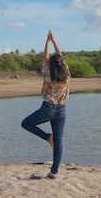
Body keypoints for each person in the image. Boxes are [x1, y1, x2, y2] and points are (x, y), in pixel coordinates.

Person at [21, 30, 70, 179]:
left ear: (51, 66)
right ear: (62, 65)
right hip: (62, 109)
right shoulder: (66, 74)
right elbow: (59, 58)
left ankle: (47, 137)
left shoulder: (47, 74)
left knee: (26, 123)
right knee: (59, 140)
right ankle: (54, 172)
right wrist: (55, 42)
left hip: (47, 108)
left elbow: (45, 57)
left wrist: (48, 42)